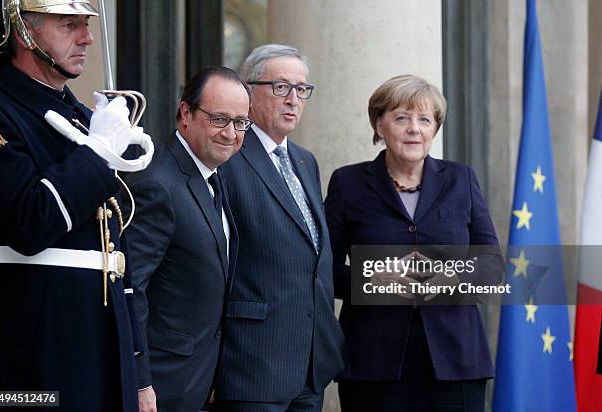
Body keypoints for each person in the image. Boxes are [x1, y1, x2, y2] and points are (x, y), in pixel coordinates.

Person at [0, 1, 152, 411]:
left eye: (86, 24)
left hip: (97, 347)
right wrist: (97, 152)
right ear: (24, 32)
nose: (87, 38)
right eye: (69, 26)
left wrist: (138, 372)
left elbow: (116, 256)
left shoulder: (82, 118)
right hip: (31, 356)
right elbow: (28, 222)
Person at [324, 74, 503, 412]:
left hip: (455, 361)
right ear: (379, 125)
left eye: (425, 119)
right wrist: (368, 280)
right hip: (374, 363)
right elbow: (322, 268)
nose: (414, 129)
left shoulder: (461, 179)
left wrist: (452, 277)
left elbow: (491, 265)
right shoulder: (348, 183)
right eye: (401, 118)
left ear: (434, 129)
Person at [215, 44, 344, 411]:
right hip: (251, 367)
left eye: (302, 89)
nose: (293, 99)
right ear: (247, 91)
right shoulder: (229, 155)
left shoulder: (305, 160)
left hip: (309, 366)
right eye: (280, 87)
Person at [125, 67, 250, 412]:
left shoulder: (212, 175)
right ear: (185, 113)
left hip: (198, 379)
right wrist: (140, 381)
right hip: (162, 385)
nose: (231, 133)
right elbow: (131, 290)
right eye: (220, 119)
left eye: (241, 122)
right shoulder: (158, 184)